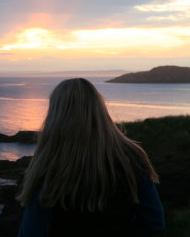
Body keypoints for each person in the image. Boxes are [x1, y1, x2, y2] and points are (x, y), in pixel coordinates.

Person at [16, 78, 165, 237]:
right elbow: (154, 222)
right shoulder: (132, 156)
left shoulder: (48, 163)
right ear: (99, 108)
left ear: (55, 114)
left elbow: (32, 231)